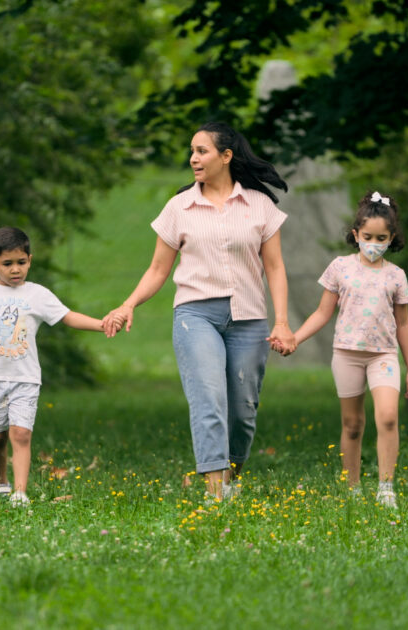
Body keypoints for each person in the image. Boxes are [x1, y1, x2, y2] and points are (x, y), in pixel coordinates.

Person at [103, 122, 296, 503]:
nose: (193, 158)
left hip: (249, 319)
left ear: (226, 156)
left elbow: (274, 267)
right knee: (209, 400)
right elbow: (158, 269)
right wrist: (128, 304)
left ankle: (230, 477)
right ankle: (214, 494)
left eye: (202, 151)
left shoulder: (259, 205)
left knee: (242, 412)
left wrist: (283, 322)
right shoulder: (179, 207)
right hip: (196, 317)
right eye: (192, 151)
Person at [0, 227, 105, 507]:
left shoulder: (38, 294)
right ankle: (1, 483)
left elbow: (67, 317)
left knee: (20, 434)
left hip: (26, 379)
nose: (15, 269)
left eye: (21, 262)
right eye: (7, 263)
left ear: (30, 260)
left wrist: (101, 324)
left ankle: (20, 492)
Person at [290, 191, 408, 508]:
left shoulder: (396, 276)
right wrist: (295, 338)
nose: (374, 243)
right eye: (368, 237)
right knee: (352, 425)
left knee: (388, 417)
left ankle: (386, 488)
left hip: (383, 356)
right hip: (347, 355)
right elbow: (322, 313)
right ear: (356, 234)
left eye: (381, 238)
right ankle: (352, 488)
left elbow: (403, 324)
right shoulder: (340, 267)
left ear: (391, 238)